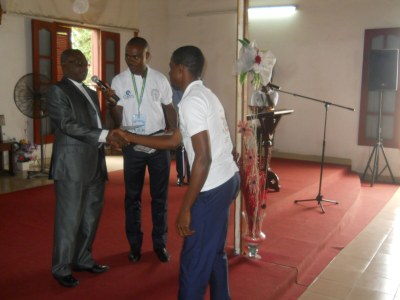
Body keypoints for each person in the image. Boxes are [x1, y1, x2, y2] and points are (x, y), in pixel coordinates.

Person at [114, 45, 240, 300]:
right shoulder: (205, 95)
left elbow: (202, 158)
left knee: (194, 262)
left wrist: (185, 208)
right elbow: (174, 141)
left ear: (181, 70)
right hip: (228, 179)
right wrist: (130, 136)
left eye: (172, 68)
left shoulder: (191, 102)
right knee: (214, 252)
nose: (169, 73)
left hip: (212, 187)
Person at [47, 49, 124, 288]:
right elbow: (67, 124)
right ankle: (61, 268)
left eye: (84, 62)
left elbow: (99, 126)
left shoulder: (92, 93)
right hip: (71, 166)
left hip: (95, 163)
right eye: (75, 63)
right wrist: (105, 135)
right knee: (69, 219)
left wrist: (112, 106)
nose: (82, 66)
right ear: (63, 65)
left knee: (91, 216)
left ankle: (82, 259)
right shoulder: (57, 91)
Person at [108, 37, 177, 263]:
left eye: (136, 56)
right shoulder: (119, 81)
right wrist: (111, 104)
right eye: (128, 55)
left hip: (158, 145)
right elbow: (117, 117)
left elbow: (169, 108)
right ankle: (135, 245)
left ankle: (160, 244)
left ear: (147, 56)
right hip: (133, 146)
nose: (131, 60)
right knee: (132, 198)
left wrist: (174, 134)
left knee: (160, 198)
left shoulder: (159, 79)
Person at [172, 87, 190, 186]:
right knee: (181, 149)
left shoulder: (199, 83)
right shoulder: (175, 87)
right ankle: (181, 177)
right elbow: (176, 104)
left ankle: (192, 178)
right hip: (181, 119)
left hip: (193, 120)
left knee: (193, 150)